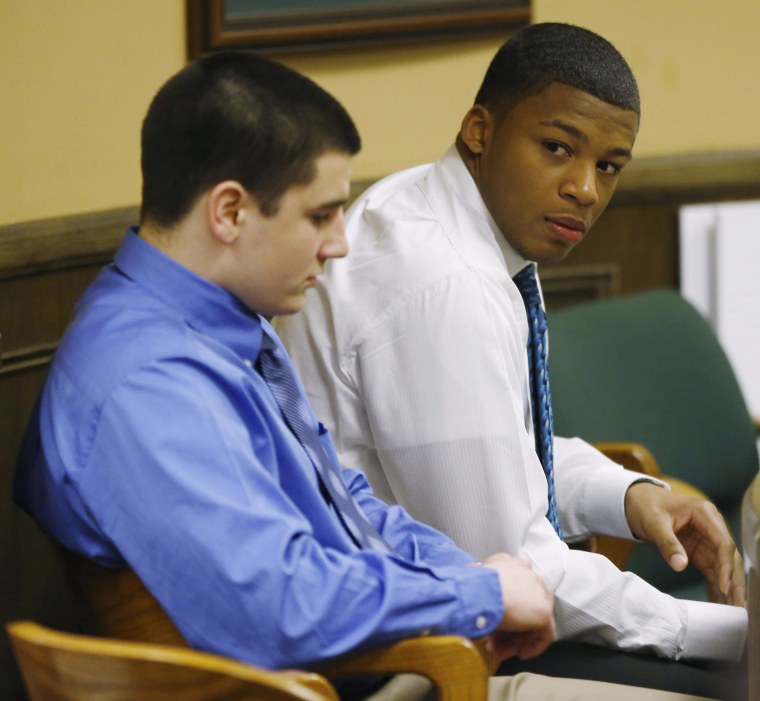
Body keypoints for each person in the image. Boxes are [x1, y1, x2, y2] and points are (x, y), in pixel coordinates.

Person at [11, 50, 712, 701]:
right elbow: (281, 603)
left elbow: (344, 503)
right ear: (228, 211)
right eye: (320, 214)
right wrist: (480, 594)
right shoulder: (146, 379)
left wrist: (477, 580)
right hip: (372, 677)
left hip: (403, 653)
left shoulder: (220, 323)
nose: (342, 241)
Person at [277, 22, 748, 700]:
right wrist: (725, 632)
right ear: (479, 130)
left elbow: (496, 444)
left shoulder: (431, 210)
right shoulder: (445, 283)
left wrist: (626, 492)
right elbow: (512, 566)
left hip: (451, 605)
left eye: (609, 165)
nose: (585, 188)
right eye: (557, 148)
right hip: (404, 657)